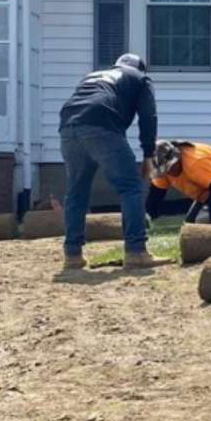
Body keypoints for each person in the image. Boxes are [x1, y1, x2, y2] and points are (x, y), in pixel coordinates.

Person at [58, 53, 159, 271]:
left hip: (68, 126)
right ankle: (136, 251)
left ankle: (72, 256)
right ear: (141, 68)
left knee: (76, 192)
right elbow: (148, 117)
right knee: (130, 187)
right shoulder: (140, 78)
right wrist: (148, 155)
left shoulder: (92, 76)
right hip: (101, 124)